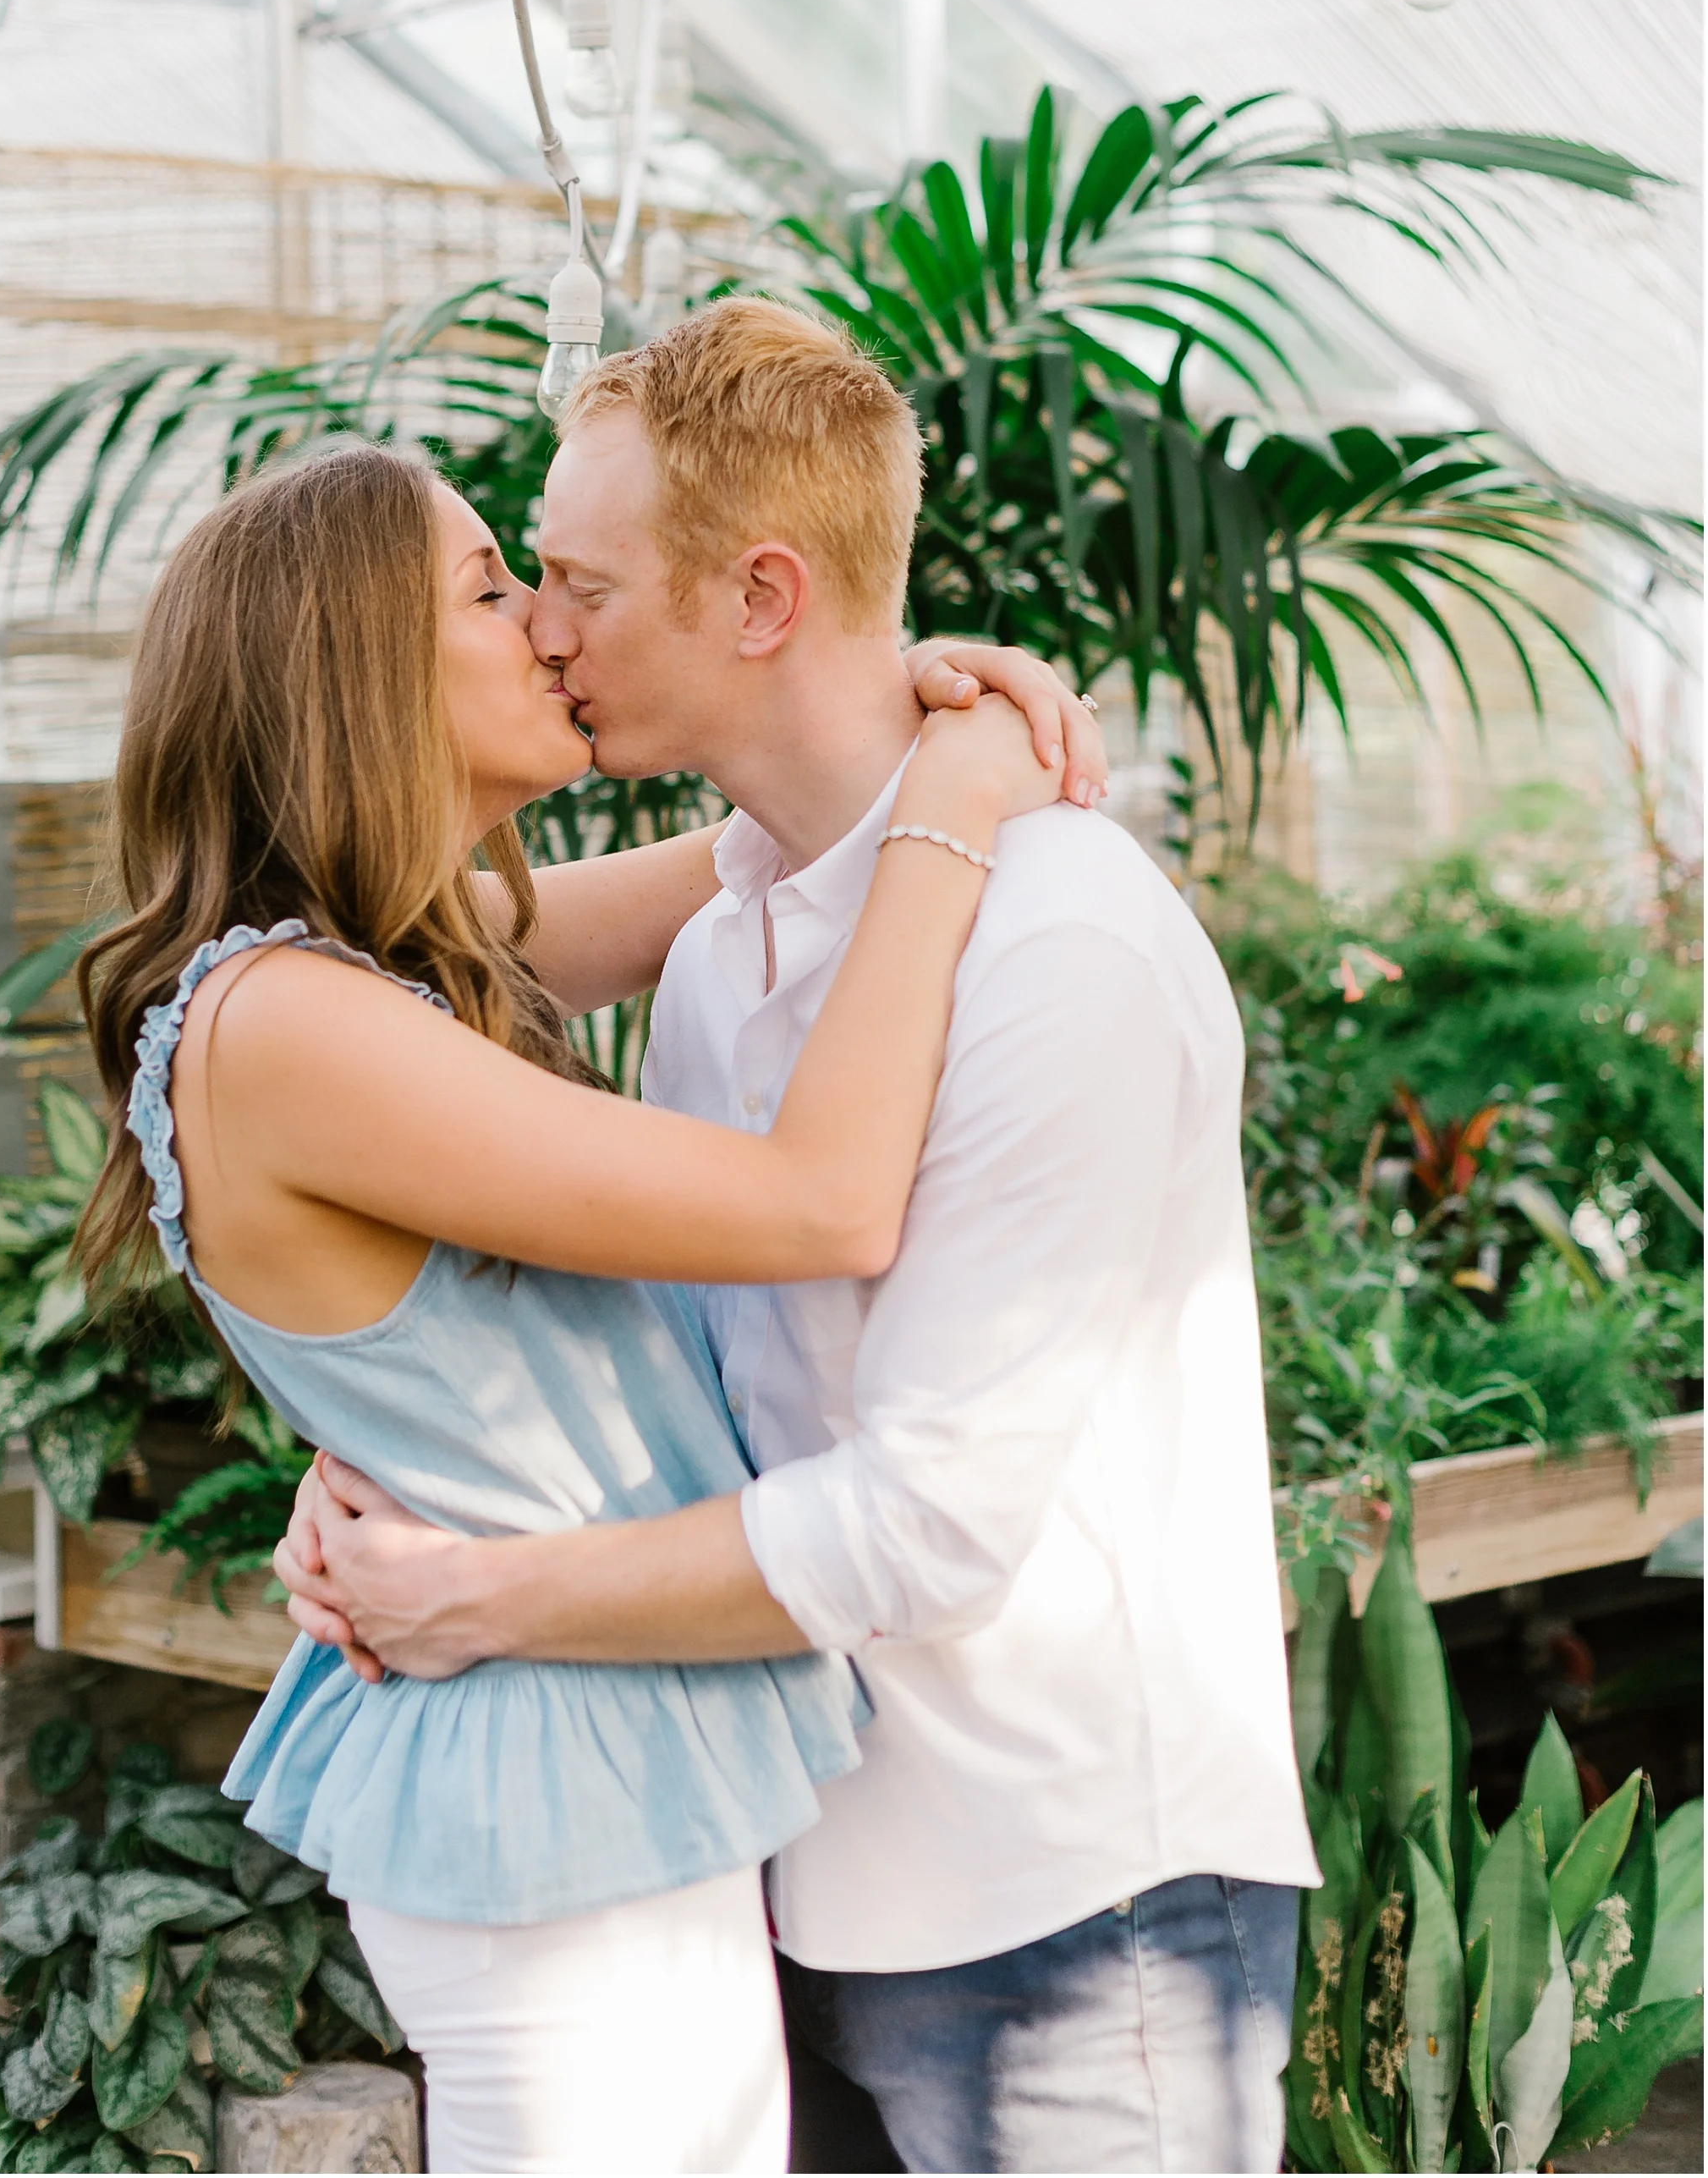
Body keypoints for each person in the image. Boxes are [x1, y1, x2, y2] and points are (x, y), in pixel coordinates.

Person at [280, 297, 1323, 2178]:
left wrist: (478, 1596)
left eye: (579, 582)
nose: (541, 625)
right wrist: (403, 1462)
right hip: (796, 1861)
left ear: (758, 597)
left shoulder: (1052, 943)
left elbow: (928, 1516)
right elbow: (663, 1356)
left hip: (1074, 1913)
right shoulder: (722, 942)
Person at [74, 431, 1098, 2177]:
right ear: (353, 672)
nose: (548, 629)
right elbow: (823, 1200)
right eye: (491, 589)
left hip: (570, 1764)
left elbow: (742, 850)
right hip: (539, 1795)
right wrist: (953, 806)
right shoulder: (294, 1026)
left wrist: (879, 714)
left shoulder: (373, 962)